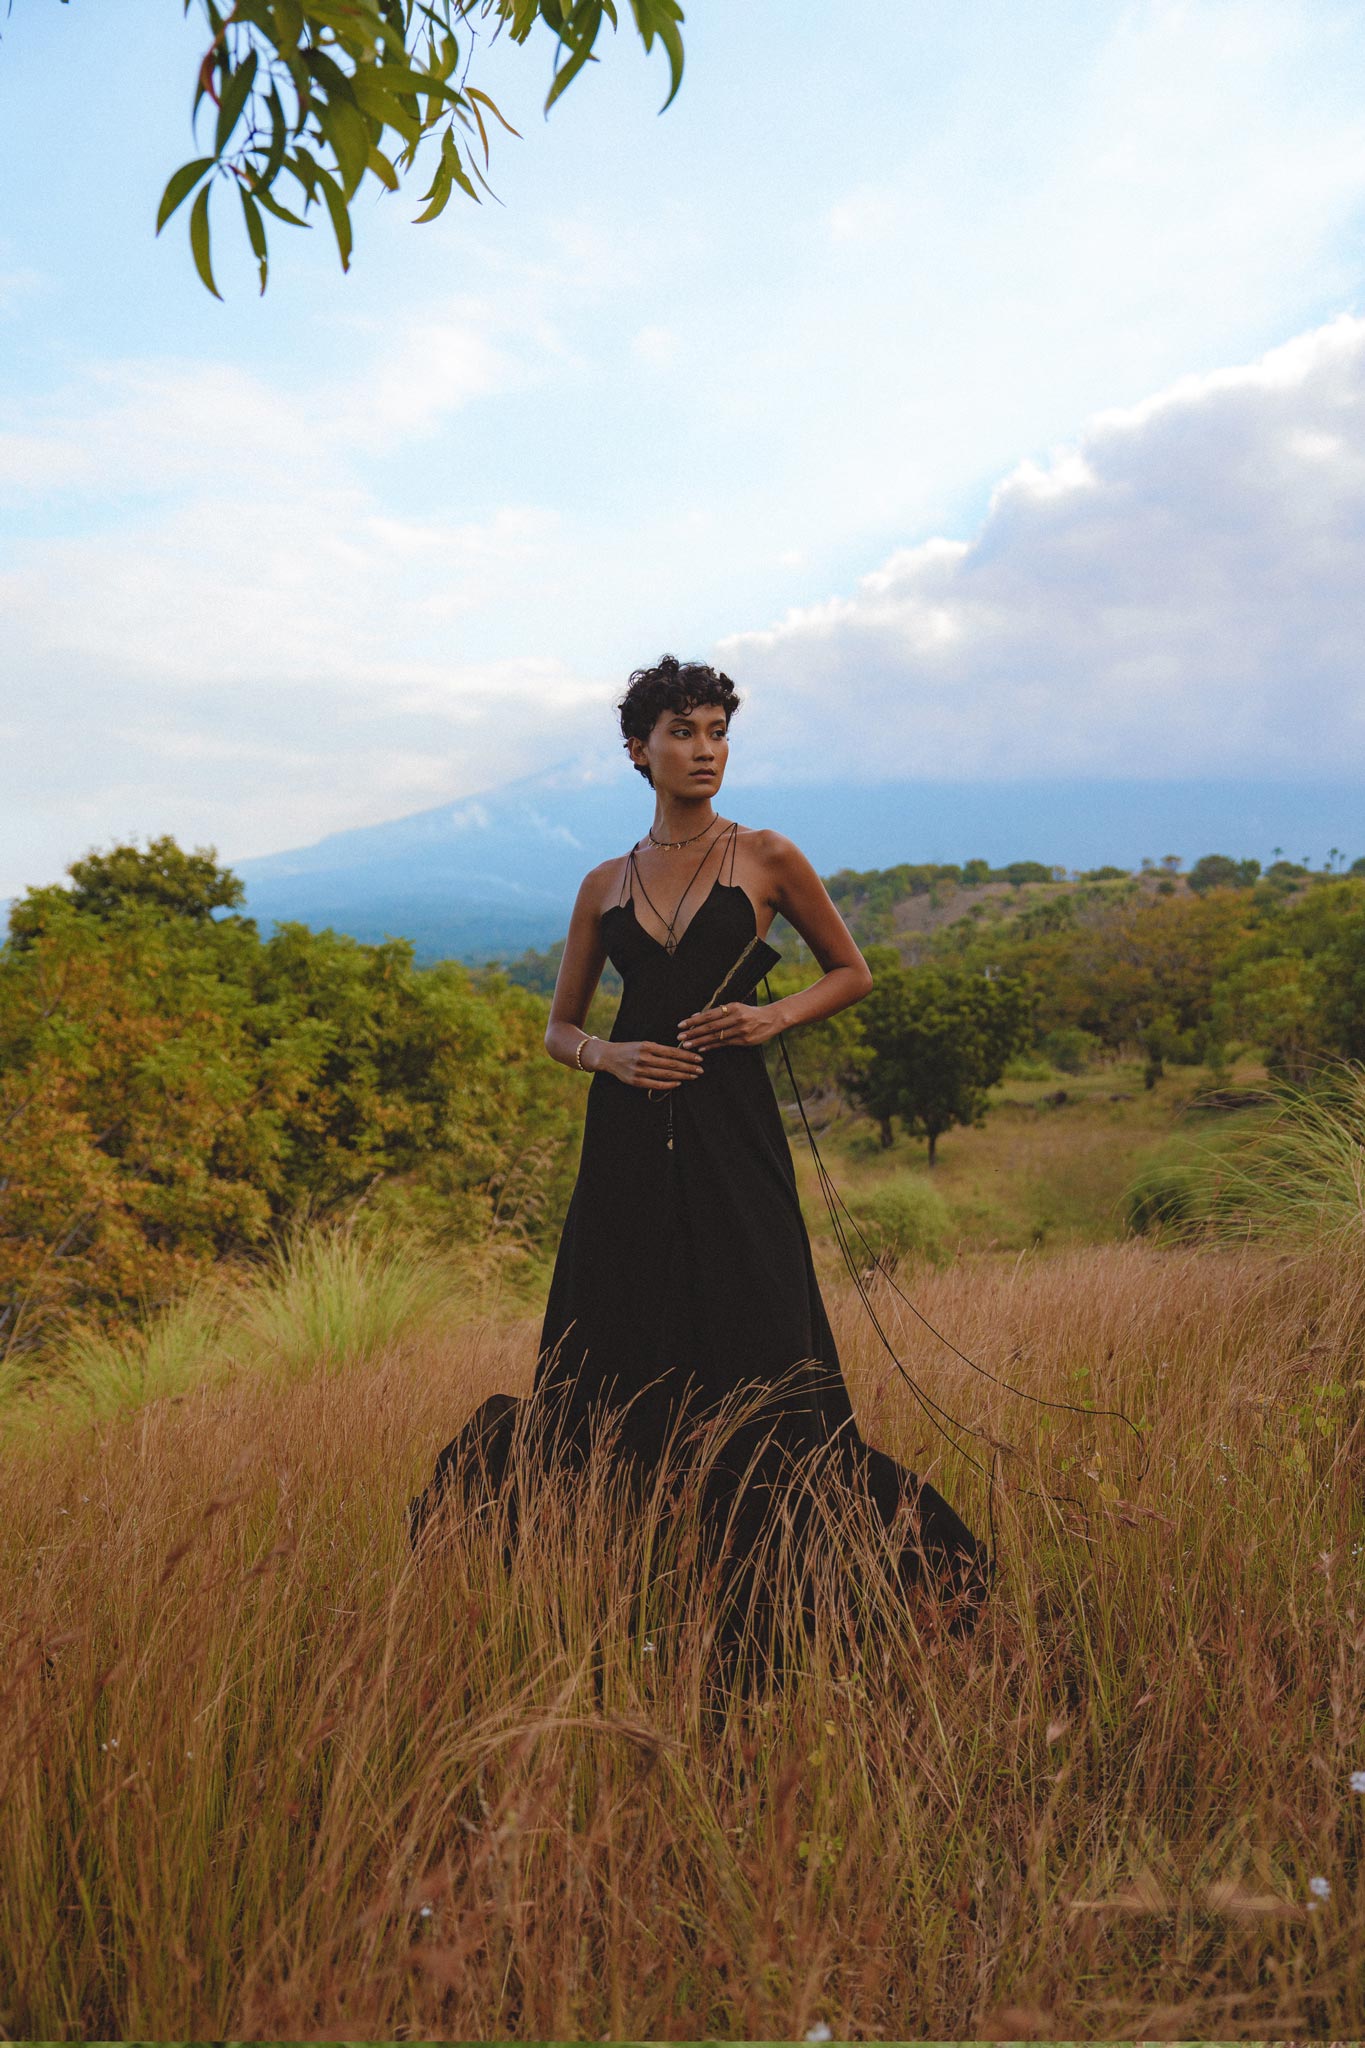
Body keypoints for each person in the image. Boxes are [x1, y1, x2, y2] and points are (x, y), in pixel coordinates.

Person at [409, 655, 990, 1669]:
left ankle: (799, 1584)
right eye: (683, 731)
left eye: (718, 730)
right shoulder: (604, 884)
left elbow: (851, 971)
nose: (706, 749)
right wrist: (611, 1052)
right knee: (616, 1346)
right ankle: (627, 1567)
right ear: (639, 751)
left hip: (735, 1131)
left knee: (764, 1337)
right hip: (627, 1141)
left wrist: (770, 1015)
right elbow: (558, 1028)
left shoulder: (766, 856)